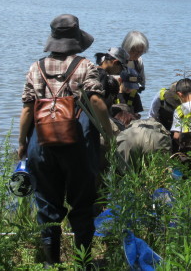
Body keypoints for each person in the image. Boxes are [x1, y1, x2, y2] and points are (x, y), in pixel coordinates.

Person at [18, 14, 113, 267]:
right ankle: (83, 263)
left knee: (47, 205)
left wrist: (21, 144)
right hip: (77, 144)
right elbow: (95, 100)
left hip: (42, 143)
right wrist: (109, 134)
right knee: (82, 205)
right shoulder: (85, 67)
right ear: (76, 39)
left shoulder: (35, 68)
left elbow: (27, 109)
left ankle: (51, 264)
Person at [120, 31, 149, 115]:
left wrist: (135, 87)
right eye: (133, 51)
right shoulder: (116, 60)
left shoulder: (139, 62)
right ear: (127, 47)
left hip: (132, 97)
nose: (137, 54)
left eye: (140, 52)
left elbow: (142, 82)